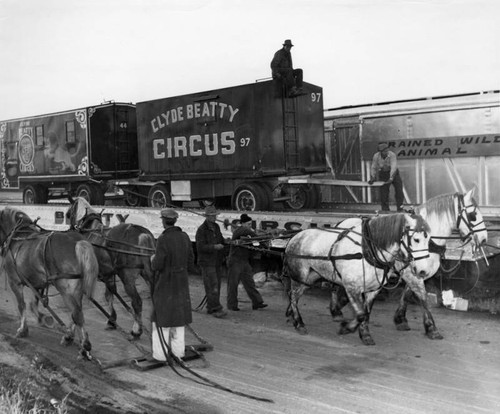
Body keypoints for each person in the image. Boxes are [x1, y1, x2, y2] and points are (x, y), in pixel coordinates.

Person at [150, 208, 195, 361]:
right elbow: (191, 260)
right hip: (181, 283)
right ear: (175, 221)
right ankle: (178, 352)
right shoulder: (184, 236)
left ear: (163, 221)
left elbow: (157, 265)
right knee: (178, 318)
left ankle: (160, 355)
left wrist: (152, 259)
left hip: (166, 283)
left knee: (161, 319)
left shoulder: (163, 239)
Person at [226, 213, 268, 311]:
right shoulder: (241, 230)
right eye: (248, 224)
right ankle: (232, 305)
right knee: (233, 284)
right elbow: (254, 236)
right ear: (243, 224)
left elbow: (251, 244)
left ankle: (257, 302)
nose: (250, 226)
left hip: (244, 261)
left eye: (250, 224)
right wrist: (262, 243)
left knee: (249, 283)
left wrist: (259, 248)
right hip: (235, 261)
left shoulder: (245, 233)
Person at [195, 206, 228, 318]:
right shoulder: (201, 230)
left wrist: (228, 242)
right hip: (207, 262)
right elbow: (200, 247)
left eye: (215, 215)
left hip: (216, 262)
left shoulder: (216, 227)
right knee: (212, 285)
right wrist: (214, 247)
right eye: (212, 215)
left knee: (216, 285)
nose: (214, 217)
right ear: (207, 216)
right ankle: (215, 308)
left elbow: (221, 240)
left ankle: (212, 306)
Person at [368, 142, 404, 212]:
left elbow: (393, 167)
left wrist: (391, 178)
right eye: (384, 151)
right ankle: (385, 210)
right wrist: (373, 177)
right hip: (383, 173)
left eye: (387, 150)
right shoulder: (376, 156)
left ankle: (400, 209)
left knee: (399, 191)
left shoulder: (392, 155)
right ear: (380, 152)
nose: (386, 152)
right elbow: (373, 167)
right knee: (384, 193)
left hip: (394, 173)